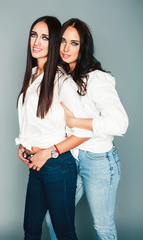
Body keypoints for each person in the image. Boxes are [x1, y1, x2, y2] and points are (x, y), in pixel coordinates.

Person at [40, 18, 128, 239]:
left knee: (103, 227)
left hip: (98, 161)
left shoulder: (98, 79)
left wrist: (76, 122)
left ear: (84, 47)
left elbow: (120, 123)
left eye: (74, 43)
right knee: (54, 219)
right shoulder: (61, 76)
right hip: (72, 157)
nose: (66, 48)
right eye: (63, 41)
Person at [15, 16, 92, 240]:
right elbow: (32, 120)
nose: (36, 42)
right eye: (34, 35)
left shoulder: (62, 82)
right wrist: (22, 144)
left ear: (55, 42)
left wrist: (48, 152)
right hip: (35, 163)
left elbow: (85, 131)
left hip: (57, 165)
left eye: (45, 37)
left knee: (64, 231)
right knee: (30, 228)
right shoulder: (32, 76)